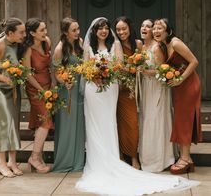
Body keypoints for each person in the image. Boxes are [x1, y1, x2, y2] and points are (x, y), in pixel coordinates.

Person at [76, 17, 199, 196]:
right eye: (100, 28)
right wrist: (94, 75)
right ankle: (105, 159)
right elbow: (86, 68)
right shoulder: (90, 47)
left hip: (118, 89)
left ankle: (148, 158)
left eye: (155, 27)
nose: (106, 31)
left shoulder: (142, 45)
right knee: (97, 124)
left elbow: (123, 66)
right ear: (94, 31)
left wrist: (121, 72)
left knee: (120, 123)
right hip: (95, 89)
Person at [153, 18, 202, 174]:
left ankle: (185, 158)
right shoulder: (163, 45)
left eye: (160, 28)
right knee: (181, 119)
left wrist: (180, 79)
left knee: (184, 120)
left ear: (168, 30)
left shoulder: (175, 43)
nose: (156, 31)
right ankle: (186, 158)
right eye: (154, 28)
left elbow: (194, 61)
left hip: (188, 84)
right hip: (179, 86)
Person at [0, 17, 26, 177]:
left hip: (13, 89)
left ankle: (12, 162)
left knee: (14, 123)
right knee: (3, 124)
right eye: (21, 32)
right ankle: (1, 163)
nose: (24, 34)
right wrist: (5, 79)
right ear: (10, 33)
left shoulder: (17, 44)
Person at [139, 19, 175, 172]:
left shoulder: (156, 47)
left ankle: (160, 159)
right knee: (147, 119)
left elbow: (162, 70)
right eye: (143, 26)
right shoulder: (142, 46)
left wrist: (147, 72)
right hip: (147, 87)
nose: (146, 28)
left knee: (156, 119)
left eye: (149, 26)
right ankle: (147, 156)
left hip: (157, 87)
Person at [52, 17, 85, 172]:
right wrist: (65, 81)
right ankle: (65, 161)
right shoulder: (59, 49)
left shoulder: (80, 42)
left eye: (78, 29)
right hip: (67, 91)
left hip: (80, 88)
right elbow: (57, 73)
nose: (77, 32)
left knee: (79, 125)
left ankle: (78, 160)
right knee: (67, 125)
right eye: (74, 30)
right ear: (65, 32)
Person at [22, 18, 53, 173]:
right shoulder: (28, 49)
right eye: (41, 30)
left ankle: (38, 156)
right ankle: (34, 157)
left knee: (41, 121)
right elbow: (27, 74)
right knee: (45, 122)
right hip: (35, 89)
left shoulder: (46, 41)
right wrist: (40, 89)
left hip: (48, 86)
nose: (45, 32)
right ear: (32, 33)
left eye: (45, 28)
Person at [115, 16, 142, 169]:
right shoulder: (115, 44)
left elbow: (143, 62)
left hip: (132, 90)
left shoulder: (138, 44)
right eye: (118, 29)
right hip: (118, 90)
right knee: (117, 124)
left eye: (124, 28)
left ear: (130, 28)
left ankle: (133, 157)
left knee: (132, 124)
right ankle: (120, 157)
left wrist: (137, 69)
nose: (121, 32)